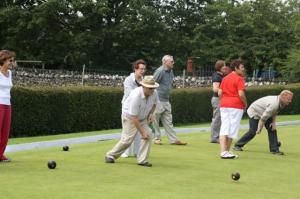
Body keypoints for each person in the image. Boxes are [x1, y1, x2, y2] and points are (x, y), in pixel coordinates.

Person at [105, 76, 159, 167]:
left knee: (149, 134)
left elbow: (154, 104)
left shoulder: (154, 93)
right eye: (150, 88)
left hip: (142, 117)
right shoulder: (136, 96)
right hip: (129, 117)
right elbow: (134, 118)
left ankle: (142, 160)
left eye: (153, 88)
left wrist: (151, 114)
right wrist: (142, 132)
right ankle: (110, 155)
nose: (152, 90)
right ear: (144, 87)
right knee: (127, 140)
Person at [233, 90, 293, 155]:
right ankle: (238, 145)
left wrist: (273, 123)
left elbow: (275, 112)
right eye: (288, 99)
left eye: (290, 99)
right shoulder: (274, 104)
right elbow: (263, 118)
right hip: (254, 112)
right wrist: (259, 128)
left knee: (272, 129)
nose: (290, 101)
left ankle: (274, 149)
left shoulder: (281, 102)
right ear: (282, 97)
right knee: (253, 131)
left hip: (264, 112)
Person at [152, 55, 187, 145]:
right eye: (171, 61)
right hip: (158, 100)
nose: (173, 63)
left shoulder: (171, 71)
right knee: (155, 120)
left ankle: (173, 140)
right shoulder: (160, 71)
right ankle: (157, 138)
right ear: (165, 62)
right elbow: (152, 84)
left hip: (166, 100)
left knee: (168, 120)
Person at [218, 59, 247, 159]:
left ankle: (224, 152)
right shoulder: (239, 79)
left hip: (224, 105)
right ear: (236, 68)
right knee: (232, 129)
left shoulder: (225, 78)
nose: (243, 69)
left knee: (224, 127)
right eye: (242, 67)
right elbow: (241, 94)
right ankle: (226, 151)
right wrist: (245, 103)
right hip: (236, 106)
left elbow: (219, 93)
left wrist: (224, 100)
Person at [121, 59, 146, 158]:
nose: (143, 71)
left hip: (139, 108)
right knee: (127, 130)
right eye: (141, 69)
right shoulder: (128, 80)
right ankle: (125, 152)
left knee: (138, 130)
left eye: (144, 69)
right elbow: (131, 94)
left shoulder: (144, 80)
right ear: (135, 69)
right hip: (127, 109)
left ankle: (137, 152)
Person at [0, 50, 16, 162]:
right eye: (10, 60)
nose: (12, 62)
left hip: (7, 105)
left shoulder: (10, 73)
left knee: (5, 132)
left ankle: (0, 155)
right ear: (3, 60)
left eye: (13, 60)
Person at [210, 60, 225, 143]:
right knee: (217, 118)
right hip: (217, 99)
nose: (225, 67)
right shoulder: (217, 76)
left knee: (220, 118)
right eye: (224, 66)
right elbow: (215, 89)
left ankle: (218, 136)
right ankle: (214, 138)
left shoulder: (221, 75)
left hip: (220, 99)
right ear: (220, 67)